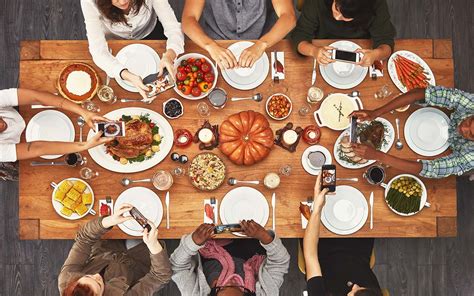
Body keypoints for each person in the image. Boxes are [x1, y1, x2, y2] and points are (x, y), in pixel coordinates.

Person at [350, 86, 474, 178]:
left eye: (470, 134)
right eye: (469, 122)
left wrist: (378, 156)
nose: (463, 128)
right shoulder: (471, 103)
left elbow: (431, 169)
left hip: (438, 148)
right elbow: (420, 94)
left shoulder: (471, 157)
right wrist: (375, 112)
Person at [80, 0, 185, 100]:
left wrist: (169, 55)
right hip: (116, 41)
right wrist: (124, 74)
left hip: (150, 32)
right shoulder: (89, 1)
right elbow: (98, 51)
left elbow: (173, 28)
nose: (122, 2)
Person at [59, 204, 172, 295]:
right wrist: (153, 245)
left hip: (106, 247)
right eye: (98, 284)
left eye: (88, 276)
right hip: (139, 262)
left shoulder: (67, 279)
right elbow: (160, 276)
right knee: (160, 227)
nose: (97, 276)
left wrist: (109, 221)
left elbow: (84, 238)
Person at [304, 173, 382, 296]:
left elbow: (310, 255)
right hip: (359, 251)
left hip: (323, 251)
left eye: (353, 291)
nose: (355, 285)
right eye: (361, 287)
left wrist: (317, 208)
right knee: (364, 198)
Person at [170, 220, 290, 296]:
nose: (231, 280)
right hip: (254, 235)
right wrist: (264, 236)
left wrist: (194, 242)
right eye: (238, 287)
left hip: (209, 237)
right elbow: (280, 262)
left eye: (221, 288)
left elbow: (178, 266)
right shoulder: (267, 293)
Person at [0, 88, 111, 163]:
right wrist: (84, 146)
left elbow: (36, 96)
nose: (1, 125)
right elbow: (38, 148)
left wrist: (83, 112)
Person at [181, 0, 296, 70]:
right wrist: (210, 45)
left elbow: (288, 17)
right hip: (215, 44)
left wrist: (262, 44)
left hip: (262, 42)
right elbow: (188, 19)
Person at [290, 0, 396, 67]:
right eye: (336, 9)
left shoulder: (376, 4)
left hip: (361, 46)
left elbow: (386, 42)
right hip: (321, 43)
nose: (336, 17)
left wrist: (375, 54)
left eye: (346, 17)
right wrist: (313, 50)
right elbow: (300, 34)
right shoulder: (317, 2)